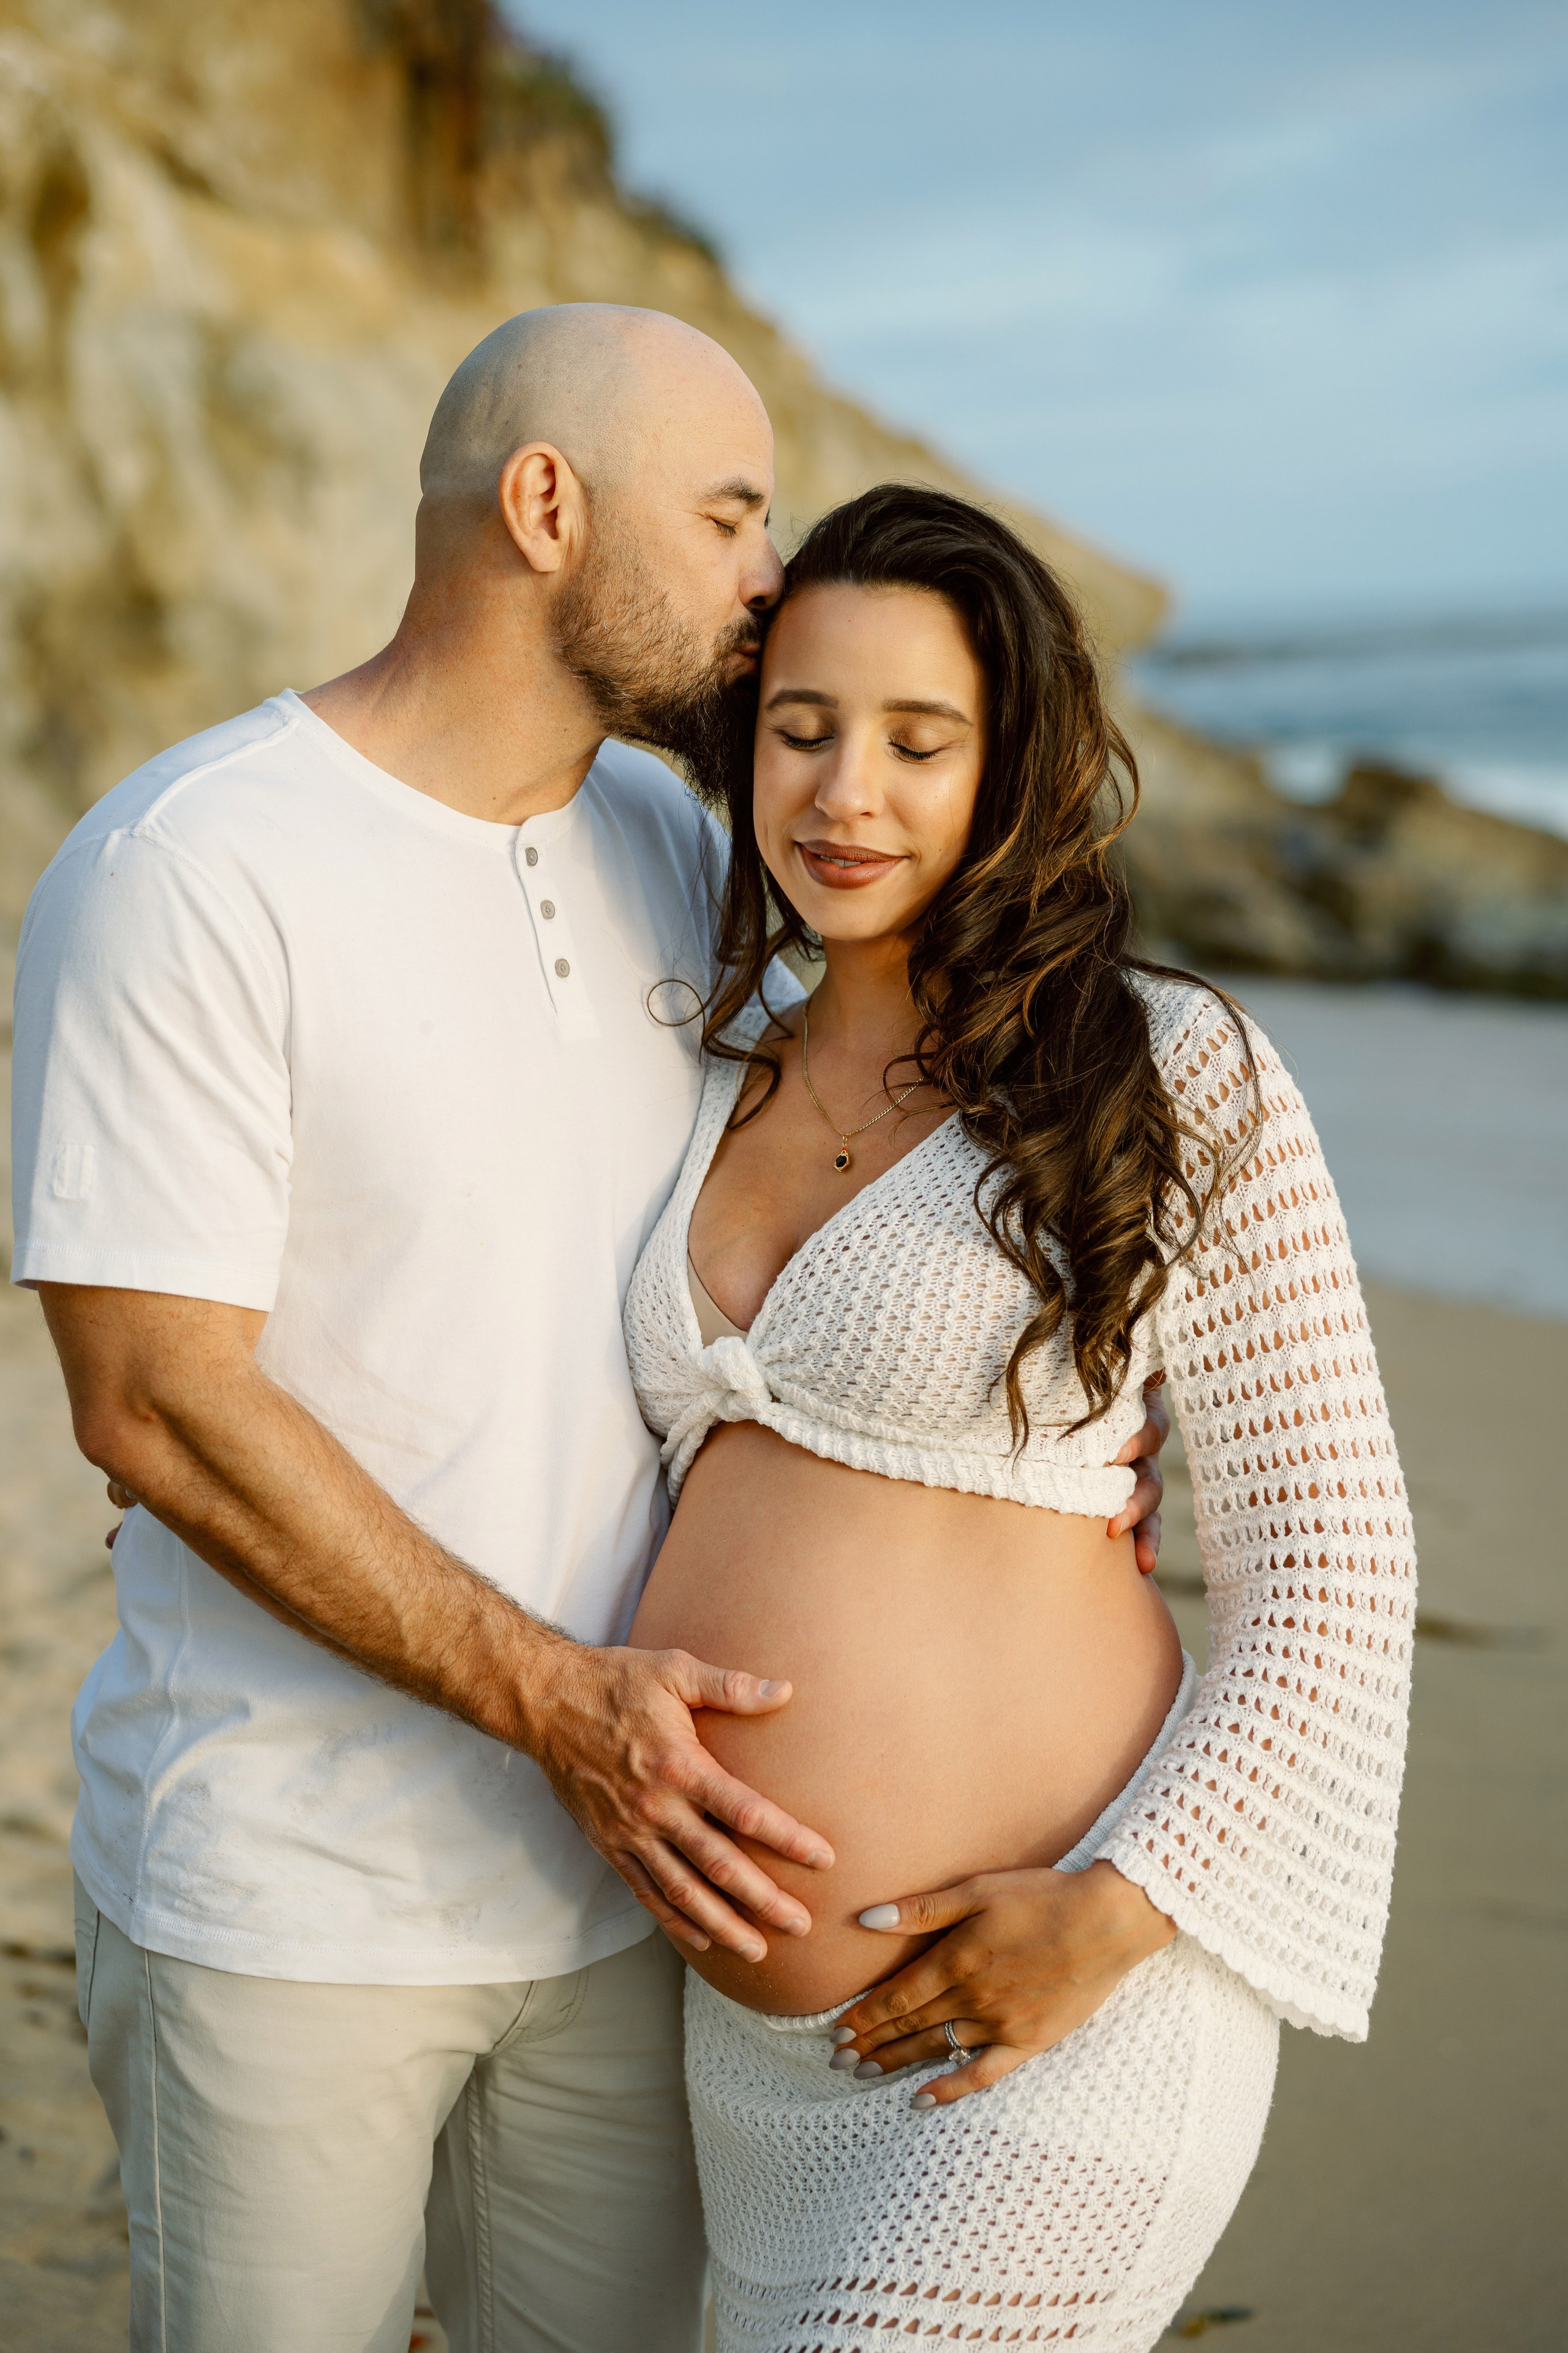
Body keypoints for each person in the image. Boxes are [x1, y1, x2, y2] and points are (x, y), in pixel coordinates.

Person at [10, 308, 1169, 2353]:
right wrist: (561, 1705)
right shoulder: (196, 868)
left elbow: (860, 1181)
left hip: (641, 1921)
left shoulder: (682, 862)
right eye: (728, 515)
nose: (765, 578)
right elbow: (155, 1401)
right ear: (545, 507)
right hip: (291, 1897)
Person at [622, 484, 1417, 2351]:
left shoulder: (1165, 1068)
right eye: (803, 730)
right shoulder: (694, 1073)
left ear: (1011, 765)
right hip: (743, 2083)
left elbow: (1336, 1565)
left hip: (1052, 2023)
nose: (846, 795)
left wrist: (1120, 1912)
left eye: (920, 740)